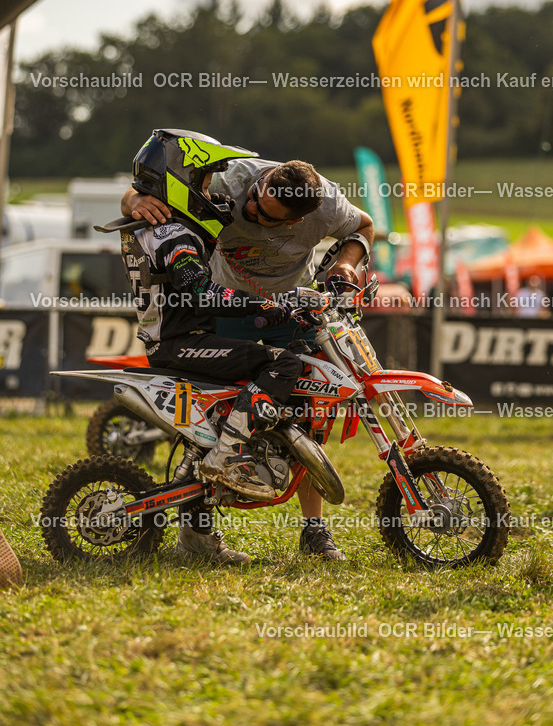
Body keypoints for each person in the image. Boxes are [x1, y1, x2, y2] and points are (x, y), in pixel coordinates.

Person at [122, 149, 375, 561]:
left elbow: (364, 227)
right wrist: (134, 202)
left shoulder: (324, 204)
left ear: (296, 221)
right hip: (224, 307)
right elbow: (145, 189)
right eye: (255, 196)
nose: (249, 208)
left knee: (310, 413)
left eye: (263, 213)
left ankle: (314, 529)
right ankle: (196, 531)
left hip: (294, 306)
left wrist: (347, 266)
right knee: (210, 419)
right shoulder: (226, 179)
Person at [122, 128, 304, 566]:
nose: (211, 193)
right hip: (179, 343)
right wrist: (264, 305)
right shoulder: (173, 235)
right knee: (281, 364)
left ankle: (199, 535)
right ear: (178, 182)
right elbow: (199, 291)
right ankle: (231, 455)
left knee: (204, 434)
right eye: (203, 184)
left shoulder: (169, 227)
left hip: (179, 339)